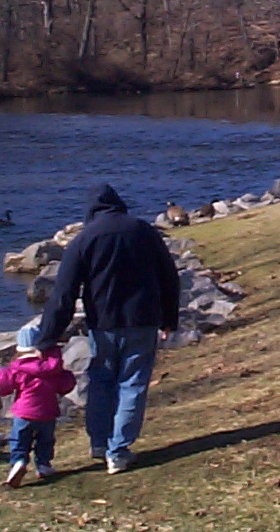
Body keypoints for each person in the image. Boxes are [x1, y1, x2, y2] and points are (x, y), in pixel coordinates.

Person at [37, 183, 180, 474]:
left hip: (102, 324)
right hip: (142, 319)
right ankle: (118, 451)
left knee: (101, 382)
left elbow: (63, 294)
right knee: (133, 384)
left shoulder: (83, 239)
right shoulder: (143, 231)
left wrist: (47, 337)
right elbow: (169, 276)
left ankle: (100, 442)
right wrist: (169, 318)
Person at [0, 325, 76, 488]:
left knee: (19, 439)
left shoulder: (17, 369)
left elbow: (0, 385)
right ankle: (43, 465)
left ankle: (18, 462)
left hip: (24, 412)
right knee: (45, 440)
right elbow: (66, 385)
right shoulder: (53, 370)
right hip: (48, 412)